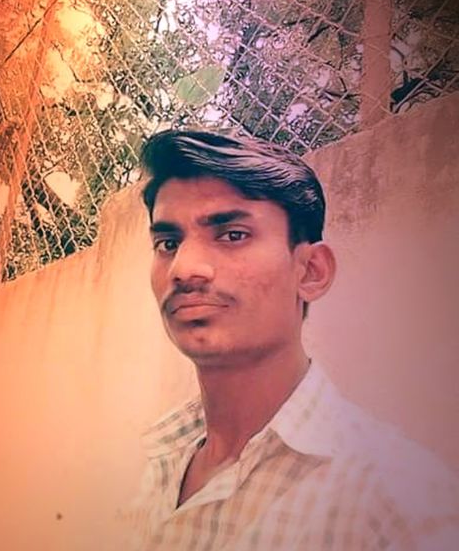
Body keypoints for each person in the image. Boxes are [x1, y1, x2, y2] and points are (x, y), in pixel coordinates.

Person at [127, 129, 459, 550]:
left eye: (232, 235)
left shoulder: (403, 503)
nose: (183, 268)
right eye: (168, 243)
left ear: (310, 272)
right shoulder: (162, 460)